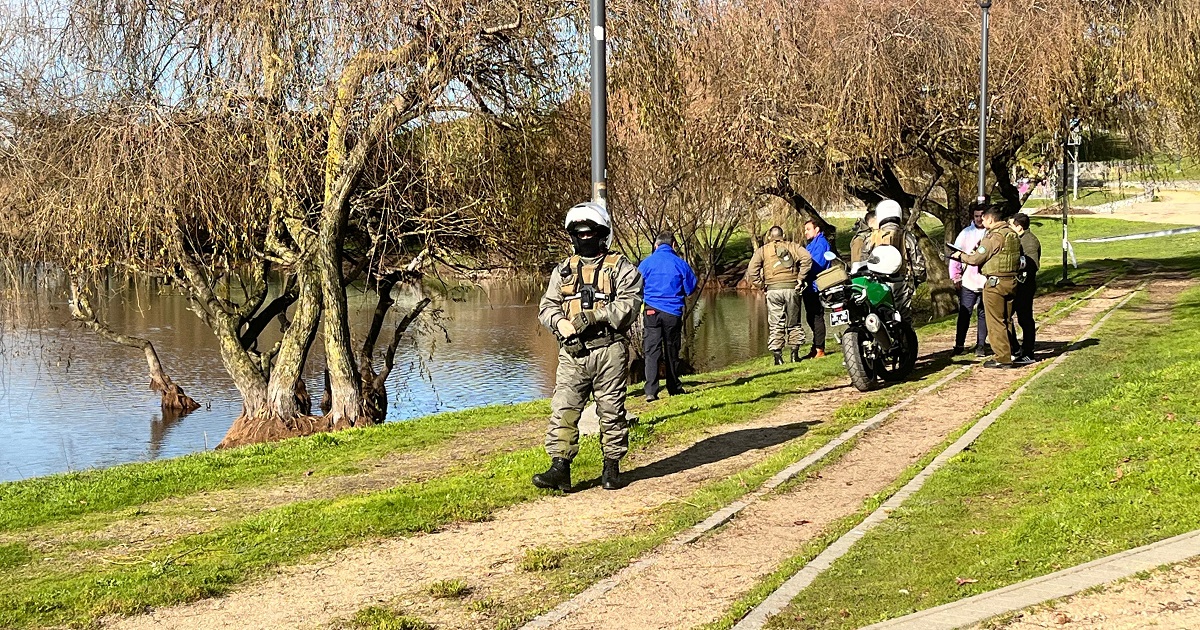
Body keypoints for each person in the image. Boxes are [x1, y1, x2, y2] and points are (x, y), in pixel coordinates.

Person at [534, 202, 643, 492]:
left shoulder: (621, 268)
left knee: (611, 410)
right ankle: (560, 467)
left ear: (602, 234)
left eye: (589, 233)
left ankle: (612, 466)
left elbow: (630, 304)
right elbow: (547, 306)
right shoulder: (563, 270)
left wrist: (595, 316)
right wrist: (559, 322)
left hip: (609, 351)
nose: (584, 238)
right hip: (573, 354)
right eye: (578, 233)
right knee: (563, 408)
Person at [948, 205, 1030, 369]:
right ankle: (1011, 351)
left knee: (995, 321)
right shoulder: (1011, 234)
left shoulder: (993, 236)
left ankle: (1002, 358)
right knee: (1006, 319)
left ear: (991, 219)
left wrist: (960, 256)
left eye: (984, 218)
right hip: (1011, 281)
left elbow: (976, 259)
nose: (982, 221)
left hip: (995, 283)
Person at [637, 231, 698, 402]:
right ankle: (673, 387)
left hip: (651, 311)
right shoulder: (680, 264)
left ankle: (651, 390)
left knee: (651, 350)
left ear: (656, 245)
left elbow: (635, 286)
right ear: (674, 245)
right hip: (672, 312)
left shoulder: (646, 264)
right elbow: (690, 288)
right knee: (672, 349)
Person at [746, 225, 814, 365]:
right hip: (792, 288)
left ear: (769, 237)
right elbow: (807, 258)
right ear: (783, 236)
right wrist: (800, 278)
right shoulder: (792, 246)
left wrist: (761, 285)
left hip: (773, 290)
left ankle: (778, 357)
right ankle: (794, 354)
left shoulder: (763, 250)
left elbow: (752, 270)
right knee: (794, 322)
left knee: (776, 324)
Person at [867, 200, 922, 320]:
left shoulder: (871, 238)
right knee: (904, 319)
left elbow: (864, 260)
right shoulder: (907, 236)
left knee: (879, 317)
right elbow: (918, 264)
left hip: (877, 283)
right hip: (902, 283)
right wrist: (917, 280)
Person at [950, 203, 990, 357]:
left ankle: (981, 345)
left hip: (986, 281)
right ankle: (959, 344)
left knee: (983, 314)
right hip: (968, 281)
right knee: (964, 313)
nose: (979, 219)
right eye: (976, 216)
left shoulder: (991, 234)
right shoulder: (965, 233)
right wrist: (956, 276)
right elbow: (956, 255)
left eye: (981, 216)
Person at [1011, 213, 1041, 362]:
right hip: (1015, 285)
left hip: (1025, 286)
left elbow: (1033, 265)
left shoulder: (1030, 242)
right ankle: (1015, 348)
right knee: (1005, 317)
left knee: (1025, 319)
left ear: (1019, 227)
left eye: (1011, 225)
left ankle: (1028, 352)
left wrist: (1017, 264)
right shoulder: (1017, 239)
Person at [800, 219, 830, 358]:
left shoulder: (821, 244)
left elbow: (817, 264)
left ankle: (820, 349)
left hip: (817, 286)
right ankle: (815, 345)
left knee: (817, 317)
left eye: (808, 229)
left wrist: (803, 274)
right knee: (810, 317)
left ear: (816, 229)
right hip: (808, 287)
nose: (805, 232)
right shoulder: (811, 244)